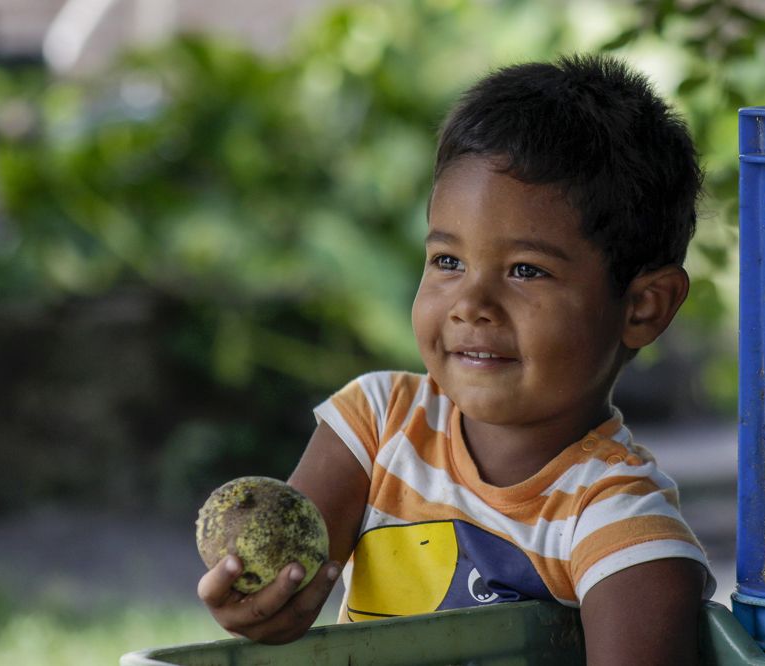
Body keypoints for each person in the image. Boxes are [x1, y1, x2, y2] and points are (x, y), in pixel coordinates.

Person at [198, 52, 716, 665]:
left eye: (526, 271)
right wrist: (262, 607)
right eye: (448, 261)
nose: (471, 304)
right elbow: (291, 591)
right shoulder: (378, 423)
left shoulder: (617, 526)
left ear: (643, 308)